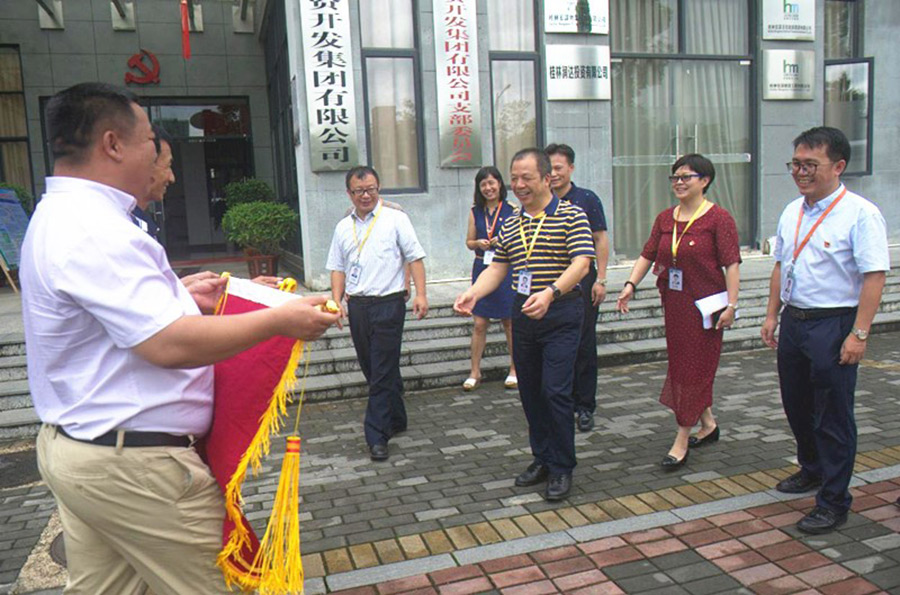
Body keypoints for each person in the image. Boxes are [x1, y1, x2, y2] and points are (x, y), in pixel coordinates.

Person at [21, 82, 341, 595]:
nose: (159, 158)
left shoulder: (63, 215)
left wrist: (181, 295)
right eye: (150, 139)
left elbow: (114, 322)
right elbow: (168, 344)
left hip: (87, 453)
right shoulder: (95, 229)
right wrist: (279, 321)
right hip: (136, 470)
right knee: (228, 585)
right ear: (112, 144)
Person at [761, 126, 889, 534]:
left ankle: (833, 500)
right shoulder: (792, 211)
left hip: (834, 324)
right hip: (795, 321)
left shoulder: (861, 214)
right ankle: (812, 468)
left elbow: (874, 276)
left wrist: (859, 334)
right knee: (797, 404)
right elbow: (781, 265)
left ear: (838, 166)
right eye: (796, 164)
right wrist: (771, 314)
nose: (801, 172)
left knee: (832, 415)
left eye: (810, 165)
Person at [454, 148, 593, 501]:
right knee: (530, 391)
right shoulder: (512, 222)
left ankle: (562, 466)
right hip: (524, 311)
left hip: (560, 311)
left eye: (526, 178)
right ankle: (542, 458)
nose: (518, 185)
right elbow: (499, 267)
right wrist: (473, 293)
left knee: (555, 391)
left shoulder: (572, 215)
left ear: (547, 178)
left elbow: (581, 263)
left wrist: (551, 292)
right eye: (514, 178)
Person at [616, 154, 740, 471]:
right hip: (675, 304)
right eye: (675, 177)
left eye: (686, 177)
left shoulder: (718, 218)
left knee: (693, 369)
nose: (679, 182)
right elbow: (647, 254)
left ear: (705, 181)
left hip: (706, 308)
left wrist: (732, 305)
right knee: (684, 365)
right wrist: (630, 284)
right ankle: (708, 424)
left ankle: (682, 437)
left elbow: (732, 264)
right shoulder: (665, 218)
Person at [327, 166, 428, 462]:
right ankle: (396, 417)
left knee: (382, 369)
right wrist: (336, 302)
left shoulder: (396, 219)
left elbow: (415, 258)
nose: (365, 195)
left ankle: (376, 435)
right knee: (372, 366)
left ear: (379, 187)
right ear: (349, 193)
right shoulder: (342, 227)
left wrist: (421, 294)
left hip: (389, 303)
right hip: (358, 305)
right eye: (359, 191)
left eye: (370, 189)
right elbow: (337, 268)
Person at [545, 143, 609, 432]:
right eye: (549, 168)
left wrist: (601, 279)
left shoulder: (586, 199)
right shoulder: (540, 201)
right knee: (556, 344)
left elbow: (600, 239)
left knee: (583, 344)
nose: (554, 173)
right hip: (548, 283)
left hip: (582, 281)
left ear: (571, 168)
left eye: (558, 168)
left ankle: (584, 406)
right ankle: (561, 403)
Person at [463, 166, 517, 391]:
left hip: (505, 269)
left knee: (509, 322)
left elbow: (519, 239)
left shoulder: (512, 209)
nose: (488, 188)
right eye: (483, 184)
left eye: (492, 183)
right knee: (479, 323)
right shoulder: (475, 211)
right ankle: (475, 371)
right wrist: (478, 243)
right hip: (481, 266)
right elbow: (469, 242)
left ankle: (515, 369)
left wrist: (501, 241)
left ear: (500, 184)